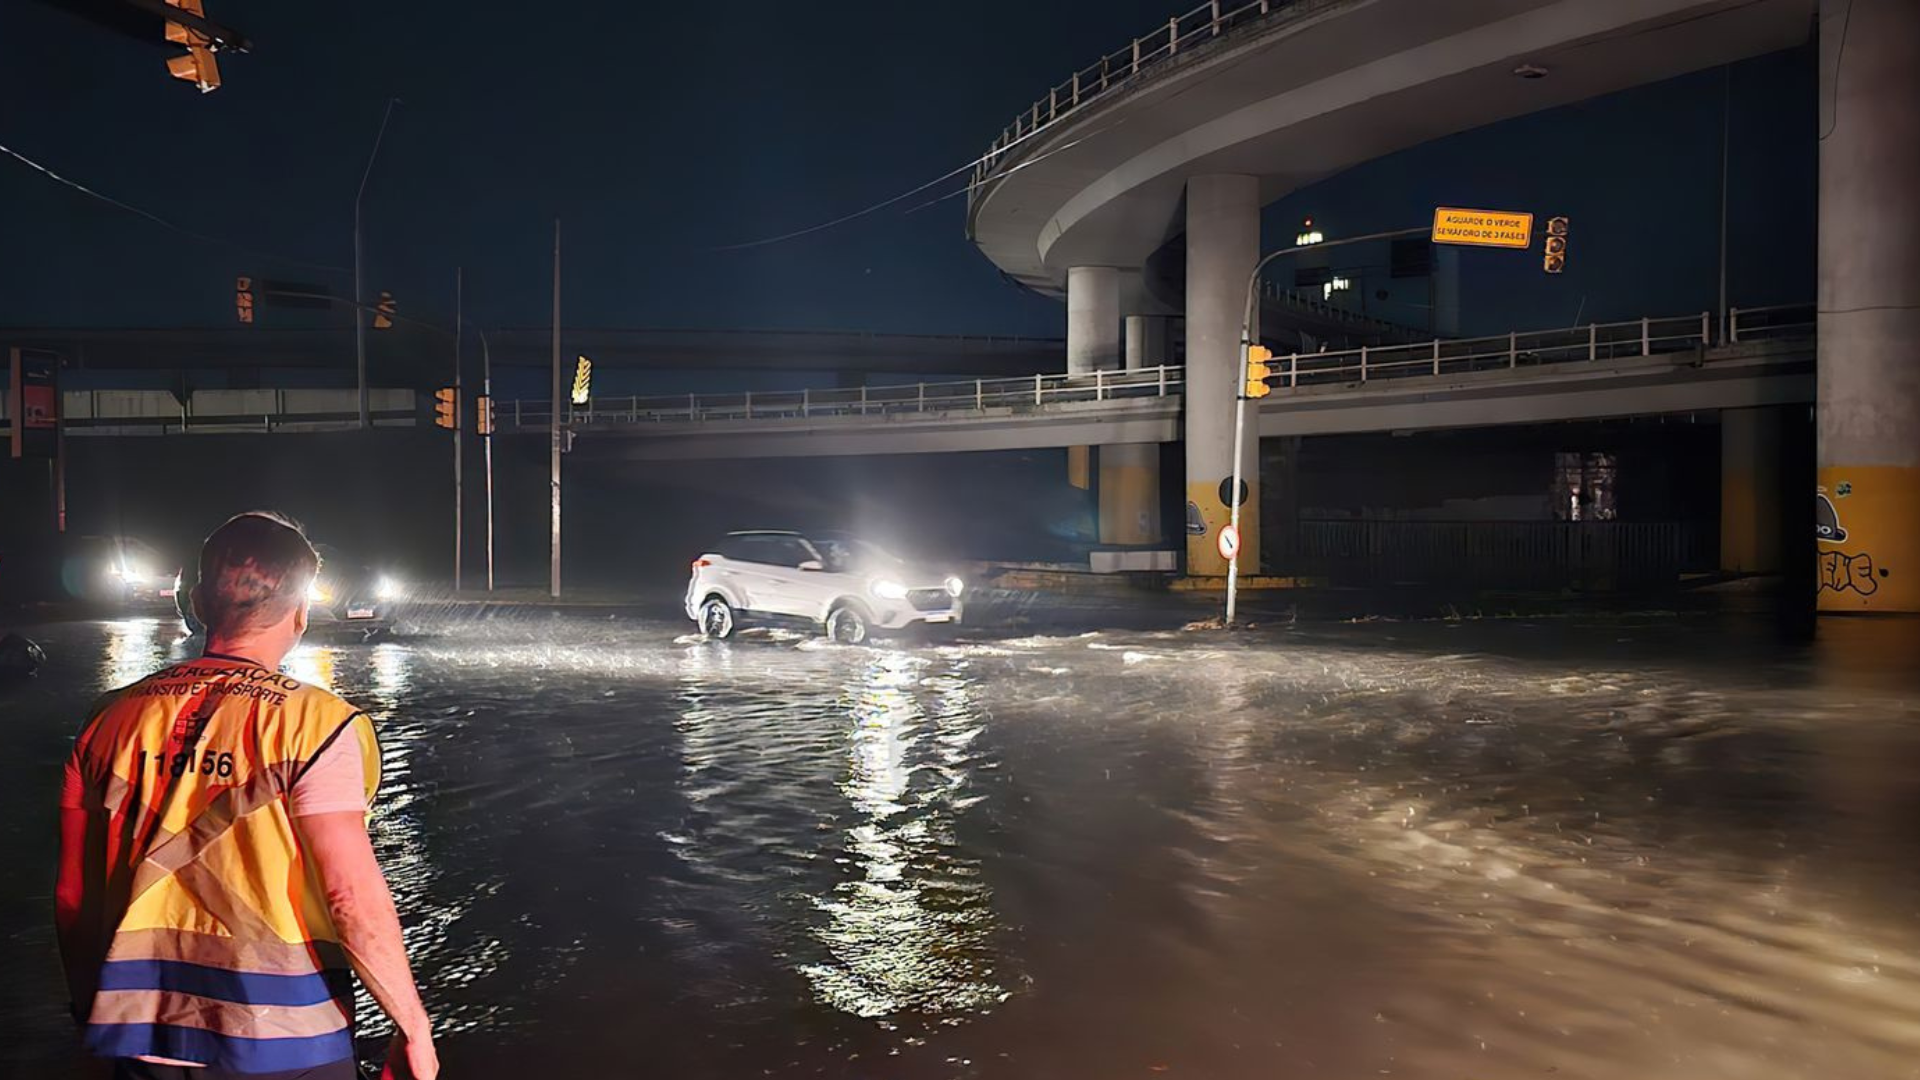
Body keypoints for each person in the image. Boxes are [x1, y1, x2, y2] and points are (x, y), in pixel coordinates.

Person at [55, 512, 438, 1080]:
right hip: (285, 1034)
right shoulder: (320, 725)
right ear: (301, 612)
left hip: (138, 1030)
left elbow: (73, 893)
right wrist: (412, 1028)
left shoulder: (106, 718)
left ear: (199, 604)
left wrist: (91, 1003)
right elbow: (350, 896)